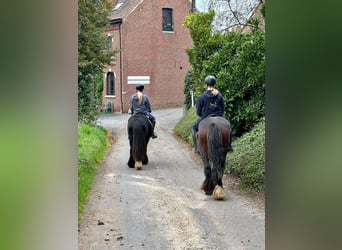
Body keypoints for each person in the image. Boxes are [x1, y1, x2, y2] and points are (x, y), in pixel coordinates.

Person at [192, 75, 233, 154]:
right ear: (214, 84)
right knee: (229, 128)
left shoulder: (202, 96)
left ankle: (197, 149)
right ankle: (229, 146)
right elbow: (223, 108)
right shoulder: (219, 95)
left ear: (206, 84)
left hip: (205, 116)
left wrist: (202, 115)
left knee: (194, 129)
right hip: (219, 116)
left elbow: (198, 112)